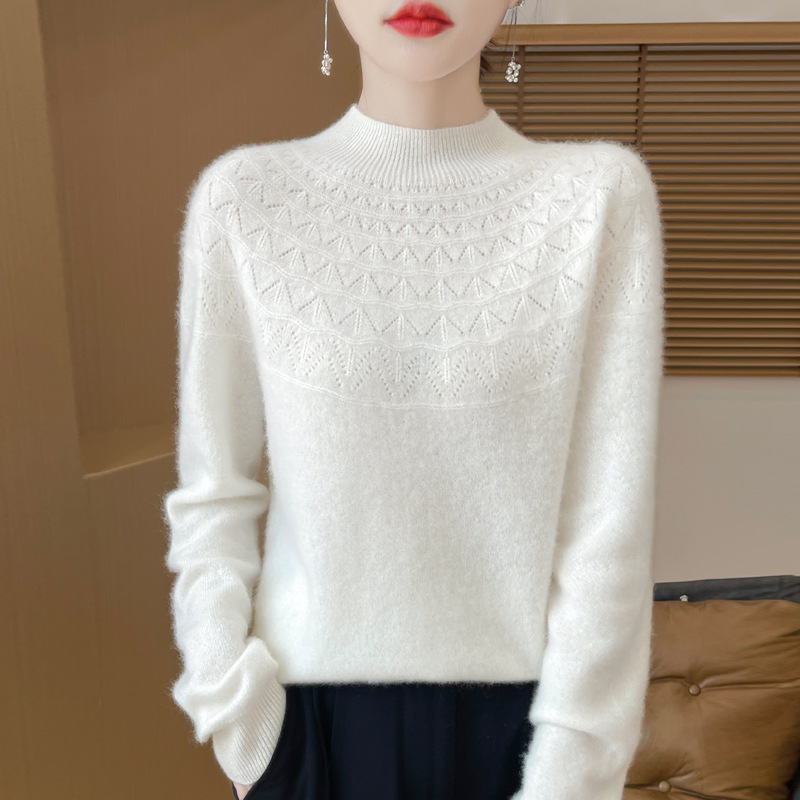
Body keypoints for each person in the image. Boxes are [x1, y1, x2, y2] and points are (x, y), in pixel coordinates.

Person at [161, 0, 666, 798]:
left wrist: (572, 767)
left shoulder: (597, 197)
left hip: (529, 725)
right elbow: (213, 492)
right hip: (308, 727)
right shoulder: (246, 199)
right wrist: (238, 716)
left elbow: (608, 520)